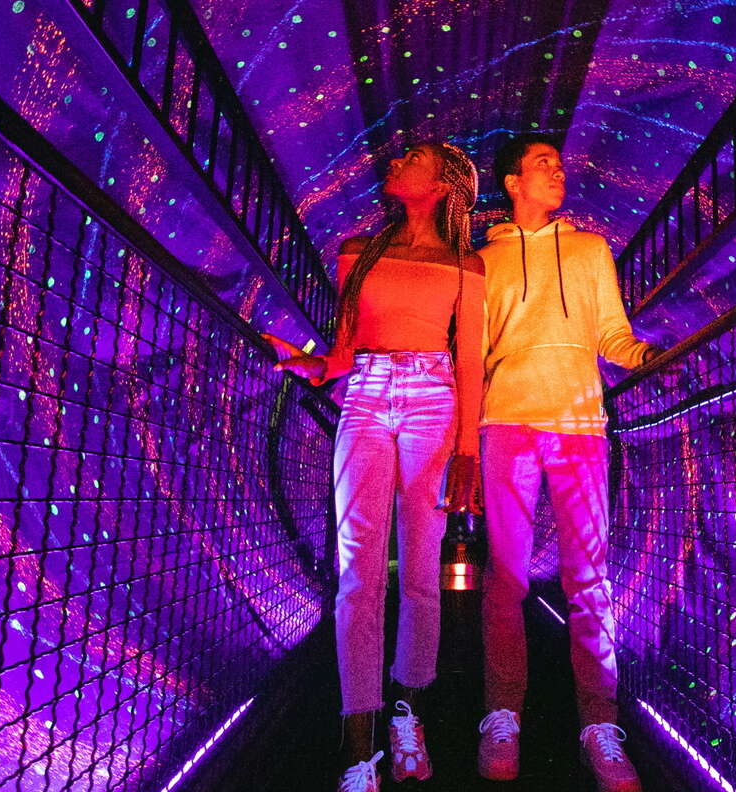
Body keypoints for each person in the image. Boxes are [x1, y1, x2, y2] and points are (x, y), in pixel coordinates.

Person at [264, 141, 485, 792]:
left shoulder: (465, 264)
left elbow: (470, 360)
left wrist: (468, 450)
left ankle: (407, 717)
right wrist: (310, 363)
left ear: (442, 185)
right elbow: (342, 352)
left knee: (420, 570)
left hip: (433, 397)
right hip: (363, 393)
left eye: (412, 159)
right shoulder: (356, 251)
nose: (395, 162)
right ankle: (358, 746)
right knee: (358, 572)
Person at [474, 134, 661, 792]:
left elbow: (611, 333)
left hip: (580, 424)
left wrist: (646, 356)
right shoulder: (482, 263)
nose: (557, 171)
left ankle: (599, 725)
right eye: (542, 164)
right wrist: (462, 442)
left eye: (558, 162)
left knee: (589, 580)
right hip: (505, 423)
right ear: (512, 182)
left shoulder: (589, 249)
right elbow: (473, 355)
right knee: (505, 577)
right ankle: (502, 716)